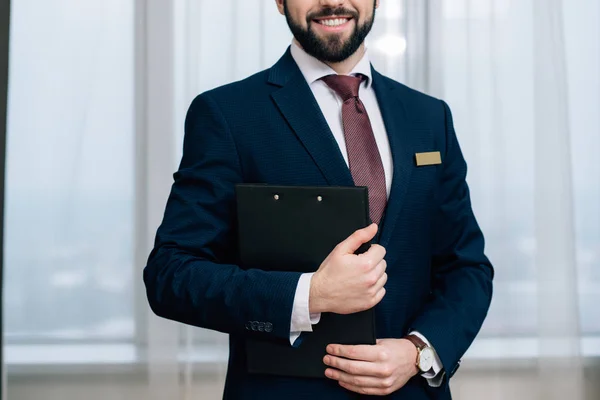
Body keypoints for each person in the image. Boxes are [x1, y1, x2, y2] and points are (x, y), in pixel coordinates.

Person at [143, 0, 494, 398]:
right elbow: (170, 276)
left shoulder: (430, 118)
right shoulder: (227, 114)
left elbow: (467, 268)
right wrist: (310, 294)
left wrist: (418, 351)